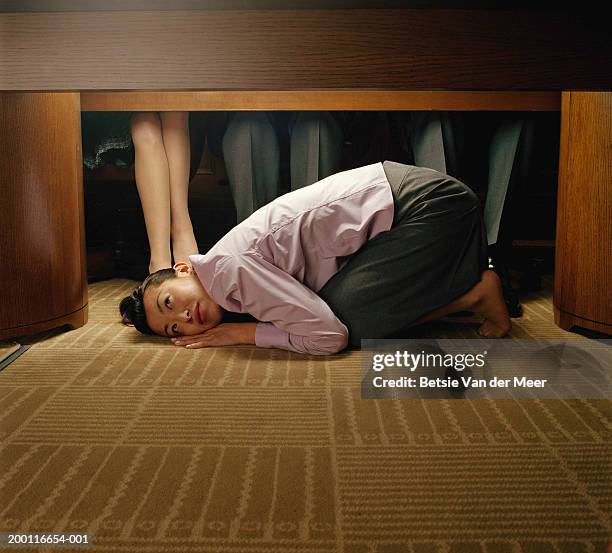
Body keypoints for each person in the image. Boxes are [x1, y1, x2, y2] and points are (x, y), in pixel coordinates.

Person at [119, 161, 511, 356]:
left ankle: (474, 296)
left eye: (169, 302)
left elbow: (329, 337)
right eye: (173, 329)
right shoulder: (225, 275)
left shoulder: (227, 270)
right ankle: (459, 287)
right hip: (416, 204)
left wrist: (246, 334)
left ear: (184, 269)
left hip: (428, 205)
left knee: (342, 322)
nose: (184, 319)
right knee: (322, 311)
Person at [82, 111, 199, 274]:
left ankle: (181, 228)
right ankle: (159, 258)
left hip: (173, 113)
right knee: (144, 124)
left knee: (173, 102)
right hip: (114, 122)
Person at [221, 111, 344, 222]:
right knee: (247, 127)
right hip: (251, 107)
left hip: (314, 104)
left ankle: (311, 230)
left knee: (316, 124)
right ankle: (253, 236)